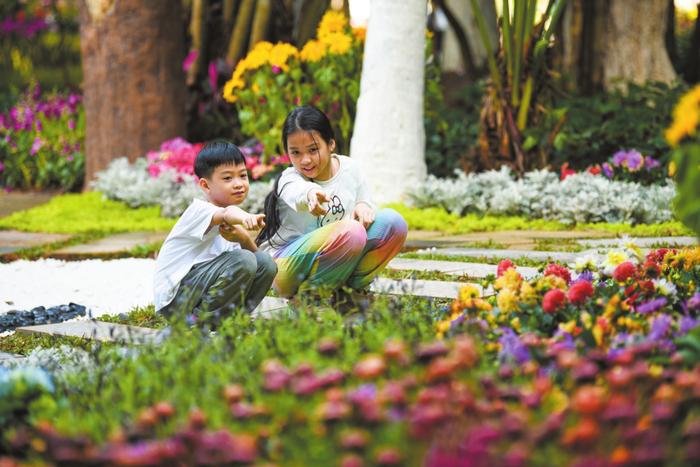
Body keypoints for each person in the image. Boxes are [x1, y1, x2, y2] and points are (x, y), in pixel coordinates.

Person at [255, 105, 408, 300]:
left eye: (313, 149)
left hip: (334, 255)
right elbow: (298, 192)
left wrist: (363, 206)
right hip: (285, 266)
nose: (305, 160)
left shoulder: (350, 168)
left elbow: (365, 202)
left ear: (331, 144)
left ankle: (350, 294)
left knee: (394, 223)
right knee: (352, 231)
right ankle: (310, 299)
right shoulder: (289, 178)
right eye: (296, 153)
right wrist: (311, 194)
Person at [154, 141, 276, 326]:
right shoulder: (200, 210)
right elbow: (227, 214)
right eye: (227, 178)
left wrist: (243, 237)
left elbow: (259, 263)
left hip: (201, 290)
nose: (239, 184)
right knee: (243, 259)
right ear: (205, 185)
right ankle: (199, 322)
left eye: (243, 175)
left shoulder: (231, 218)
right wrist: (245, 218)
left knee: (266, 263)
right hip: (175, 301)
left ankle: (229, 320)